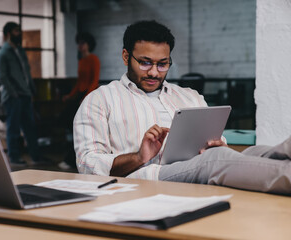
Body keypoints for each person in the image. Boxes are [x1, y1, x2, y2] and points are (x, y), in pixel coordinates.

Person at [73, 20, 291, 195]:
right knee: (212, 161)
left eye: (162, 63)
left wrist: (217, 143)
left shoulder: (189, 96)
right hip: (148, 176)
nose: (154, 72)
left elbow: (218, 146)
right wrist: (139, 157)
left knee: (261, 151)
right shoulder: (100, 99)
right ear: (125, 57)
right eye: (145, 62)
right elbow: (87, 164)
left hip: (197, 163)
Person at [0, 22, 43, 166]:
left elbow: (26, 72)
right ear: (8, 33)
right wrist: (13, 93)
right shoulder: (3, 53)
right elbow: (3, 77)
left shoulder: (20, 51)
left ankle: (36, 156)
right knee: (13, 128)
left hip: (26, 95)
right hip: (13, 97)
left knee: (30, 128)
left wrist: (31, 89)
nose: (19, 34)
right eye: (16, 31)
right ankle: (14, 157)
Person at [58, 32, 100, 170]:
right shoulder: (81, 61)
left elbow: (94, 81)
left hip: (89, 95)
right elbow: (79, 83)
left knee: (79, 128)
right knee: (66, 120)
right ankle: (73, 156)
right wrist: (70, 96)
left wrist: (86, 98)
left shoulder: (94, 59)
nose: (80, 46)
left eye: (83, 43)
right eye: (79, 43)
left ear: (88, 45)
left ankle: (72, 159)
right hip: (79, 96)